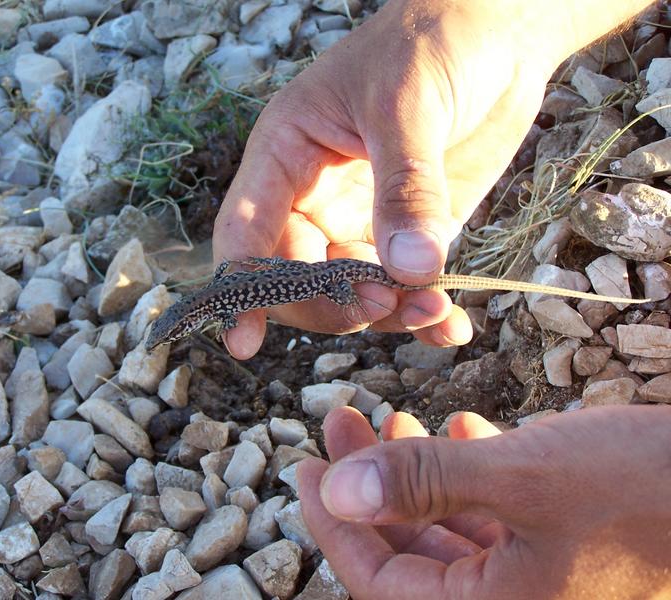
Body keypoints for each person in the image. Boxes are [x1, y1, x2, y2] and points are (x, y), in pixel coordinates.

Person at [212, 0, 671, 597]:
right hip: (328, 271)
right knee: (353, 290)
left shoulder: (230, 303)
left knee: (354, 292)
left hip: (331, 275)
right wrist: (492, 22)